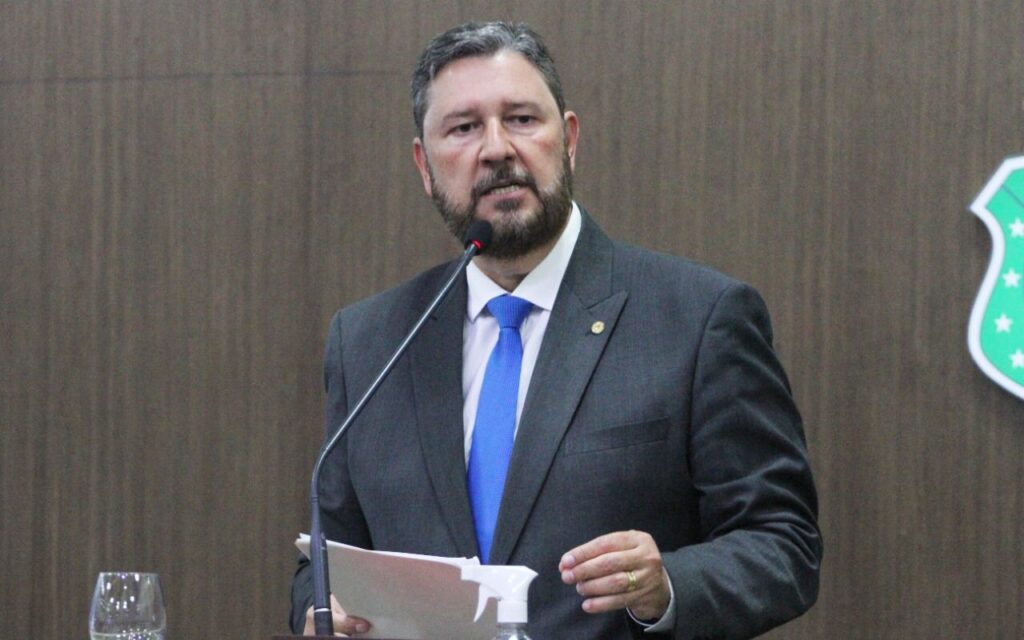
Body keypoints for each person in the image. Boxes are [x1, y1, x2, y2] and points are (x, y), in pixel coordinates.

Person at [291, 21, 821, 639]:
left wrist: (668, 587)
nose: (496, 149)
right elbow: (322, 566)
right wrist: (320, 614)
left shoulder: (699, 319)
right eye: (463, 128)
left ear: (568, 140)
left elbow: (783, 542)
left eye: (520, 119)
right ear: (424, 166)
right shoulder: (370, 342)